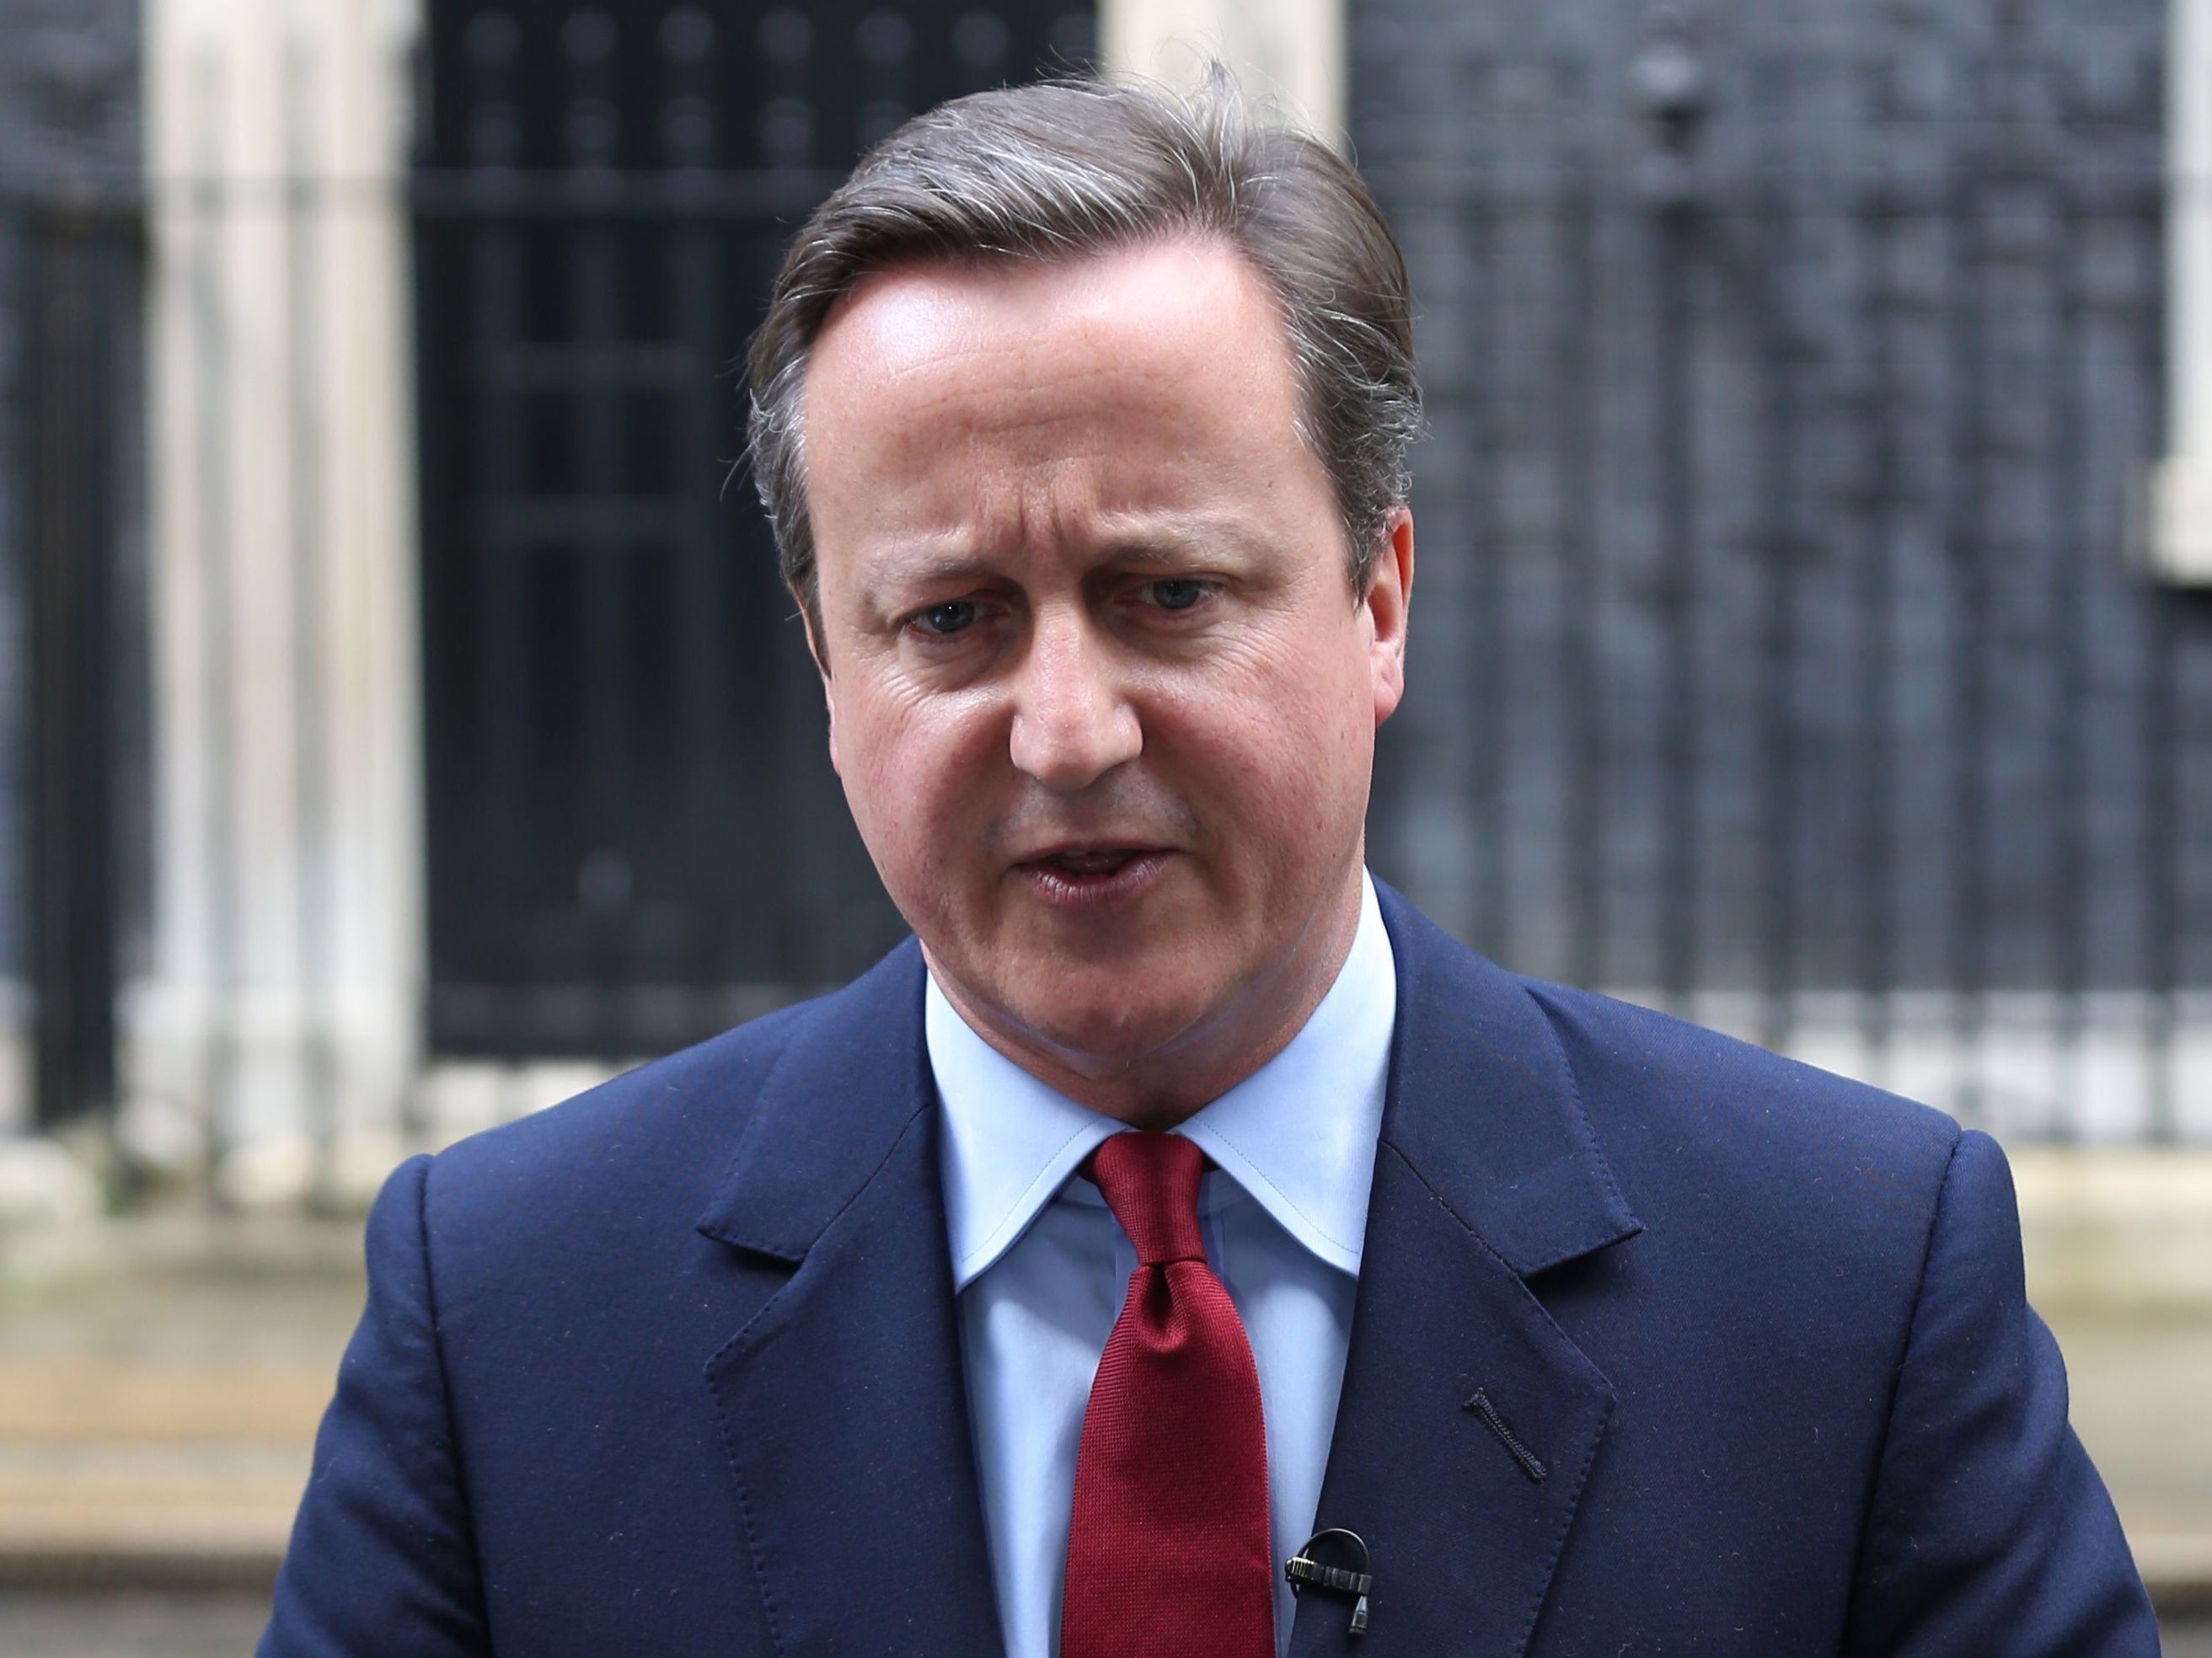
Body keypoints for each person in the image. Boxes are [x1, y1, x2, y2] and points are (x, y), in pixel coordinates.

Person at [260, 75, 2156, 1657]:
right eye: (948, 617)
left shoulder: (1843, 1287)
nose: (1066, 728)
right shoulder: (504, 1318)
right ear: (824, 660)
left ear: (1377, 599)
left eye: (1166, 593)